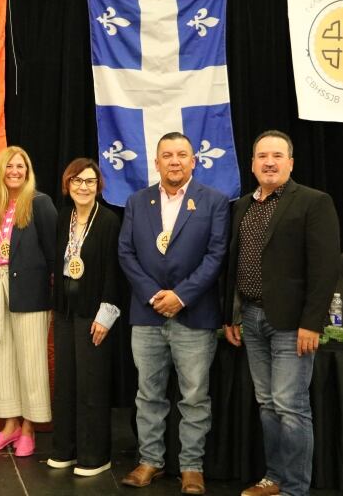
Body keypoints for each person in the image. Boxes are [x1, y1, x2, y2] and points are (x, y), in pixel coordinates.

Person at [223, 130, 340, 496]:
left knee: (291, 407)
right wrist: (233, 315)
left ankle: (294, 489)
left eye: (277, 155)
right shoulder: (241, 205)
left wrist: (312, 322)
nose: (269, 162)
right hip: (252, 320)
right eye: (262, 156)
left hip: (293, 324)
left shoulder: (313, 202)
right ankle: (273, 479)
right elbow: (234, 264)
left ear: (290, 162)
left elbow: (324, 269)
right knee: (268, 405)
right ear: (253, 163)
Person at [118, 132, 229, 494]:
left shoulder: (213, 202)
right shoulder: (137, 201)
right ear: (157, 162)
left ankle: (192, 467)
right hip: (147, 314)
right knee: (148, 394)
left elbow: (215, 256)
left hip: (194, 316)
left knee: (194, 396)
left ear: (193, 161)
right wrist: (154, 295)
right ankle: (149, 461)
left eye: (182, 154)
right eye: (167, 155)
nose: (175, 161)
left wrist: (180, 297)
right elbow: (126, 254)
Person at [0, 146, 57, 457]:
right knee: (2, 360)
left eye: (20, 167)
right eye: (9, 166)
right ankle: (10, 426)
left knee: (30, 361)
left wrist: (54, 294)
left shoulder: (40, 203)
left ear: (28, 171)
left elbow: (54, 253)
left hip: (31, 292)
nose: (14, 171)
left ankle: (29, 428)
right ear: (0, 170)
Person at [47, 158, 121, 476]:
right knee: (65, 383)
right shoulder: (64, 217)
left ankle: (94, 456)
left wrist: (106, 316)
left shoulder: (108, 221)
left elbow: (113, 273)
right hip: (65, 310)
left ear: (98, 186)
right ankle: (65, 449)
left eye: (89, 181)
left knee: (91, 384)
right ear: (68, 185)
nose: (83, 187)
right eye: (77, 181)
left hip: (94, 313)